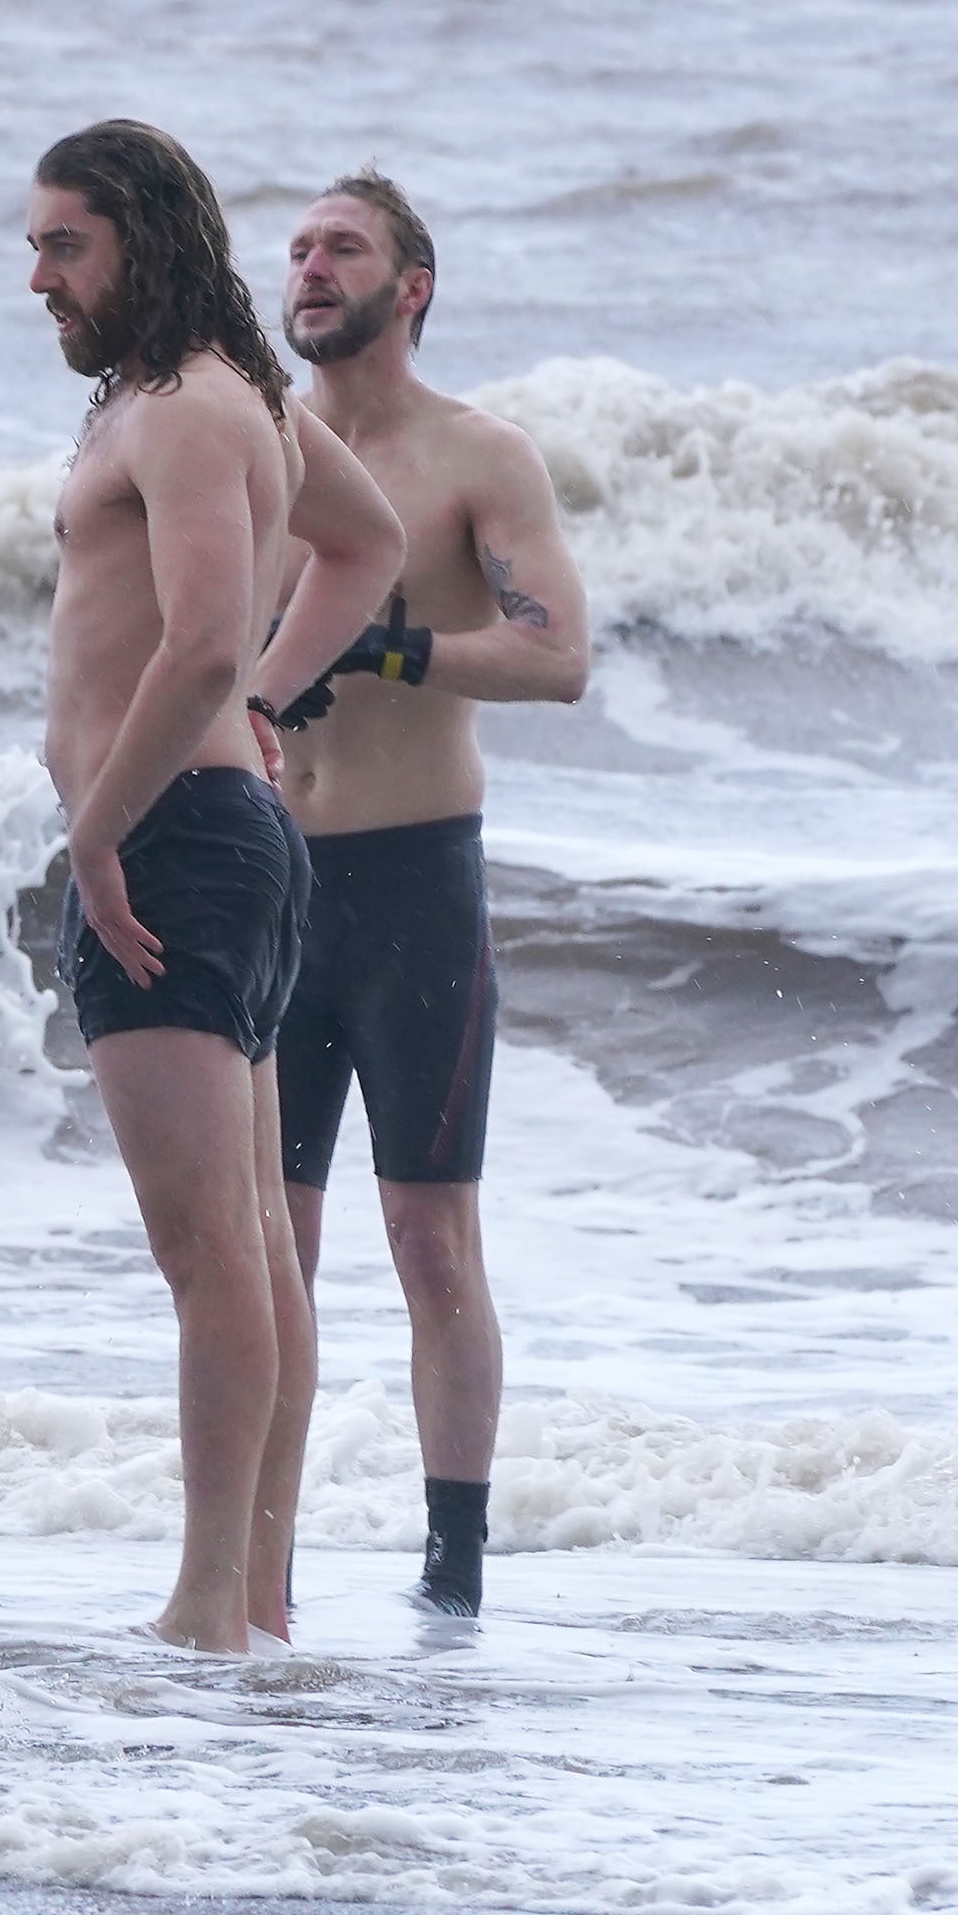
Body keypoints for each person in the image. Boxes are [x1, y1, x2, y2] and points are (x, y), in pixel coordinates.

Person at [28, 121, 402, 1653]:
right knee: (249, 1238)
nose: (38, 275)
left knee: (212, 1255)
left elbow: (188, 640)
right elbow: (364, 543)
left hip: (175, 835)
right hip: (220, 820)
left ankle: (205, 1606)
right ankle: (253, 1599)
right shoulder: (226, 394)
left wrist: (105, 828)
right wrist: (270, 695)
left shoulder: (183, 407)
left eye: (65, 245)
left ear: (143, 240)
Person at [259, 165, 591, 1618]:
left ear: (415, 285)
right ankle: (252, 1553)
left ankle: (453, 1568)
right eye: (299, 248)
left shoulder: (476, 457)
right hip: (267, 875)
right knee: (269, 1239)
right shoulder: (252, 447)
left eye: (346, 248)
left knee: (426, 1232)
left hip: (412, 885)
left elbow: (556, 656)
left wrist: (389, 649)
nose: (313, 266)